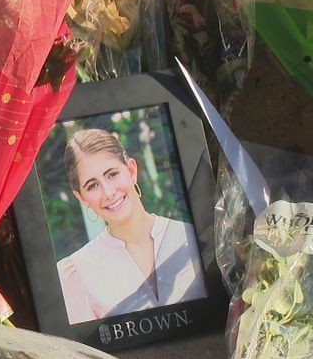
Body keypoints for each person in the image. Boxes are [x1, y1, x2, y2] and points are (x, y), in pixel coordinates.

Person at [57, 128, 206, 324]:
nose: (108, 192)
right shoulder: (76, 273)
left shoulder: (190, 236)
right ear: (81, 198)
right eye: (92, 186)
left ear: (131, 171)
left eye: (112, 174)